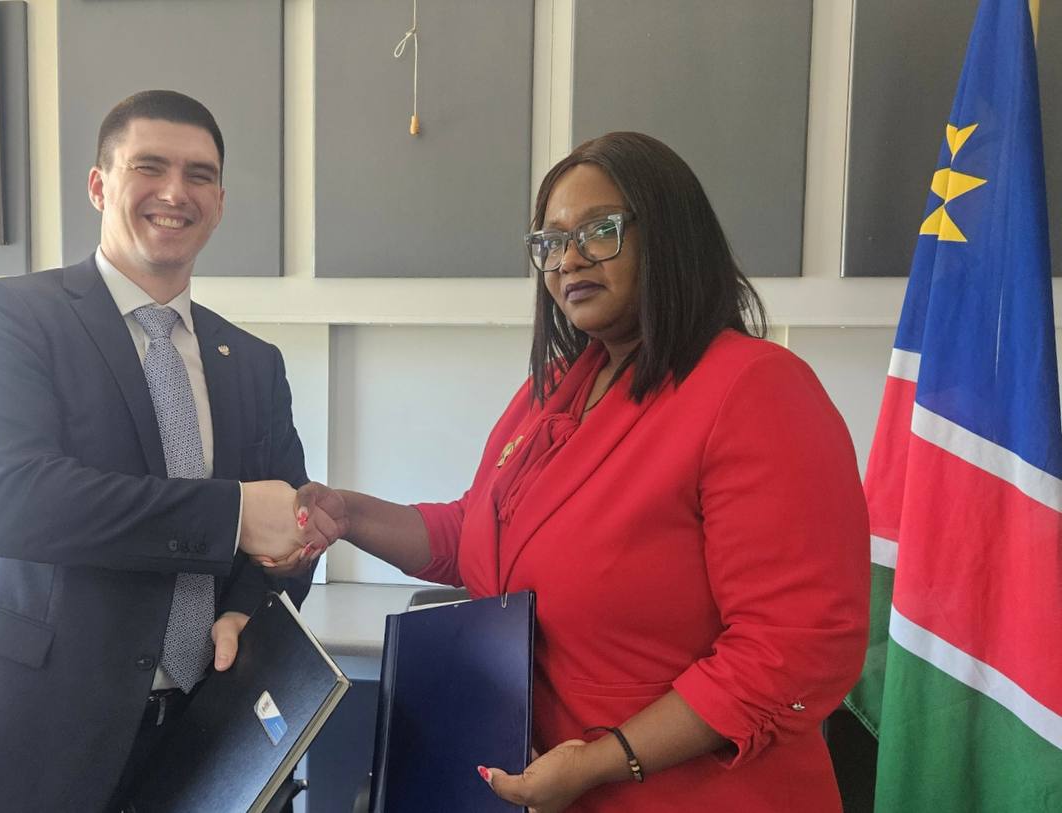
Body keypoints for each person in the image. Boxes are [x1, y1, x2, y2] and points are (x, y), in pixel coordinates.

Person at [286, 133, 870, 811]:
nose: (569, 259)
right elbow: (479, 533)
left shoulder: (756, 389)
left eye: (600, 231)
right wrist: (350, 515)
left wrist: (602, 760)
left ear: (669, 235)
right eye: (552, 240)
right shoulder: (560, 385)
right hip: (559, 788)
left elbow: (792, 647)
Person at [0, 90, 330, 812]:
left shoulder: (252, 360)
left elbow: (290, 533)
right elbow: (8, 503)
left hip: (207, 736)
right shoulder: (6, 316)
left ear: (219, 201)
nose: (175, 192)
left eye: (200, 175)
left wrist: (249, 607)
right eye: (149, 166)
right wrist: (234, 514)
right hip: (37, 733)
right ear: (99, 185)